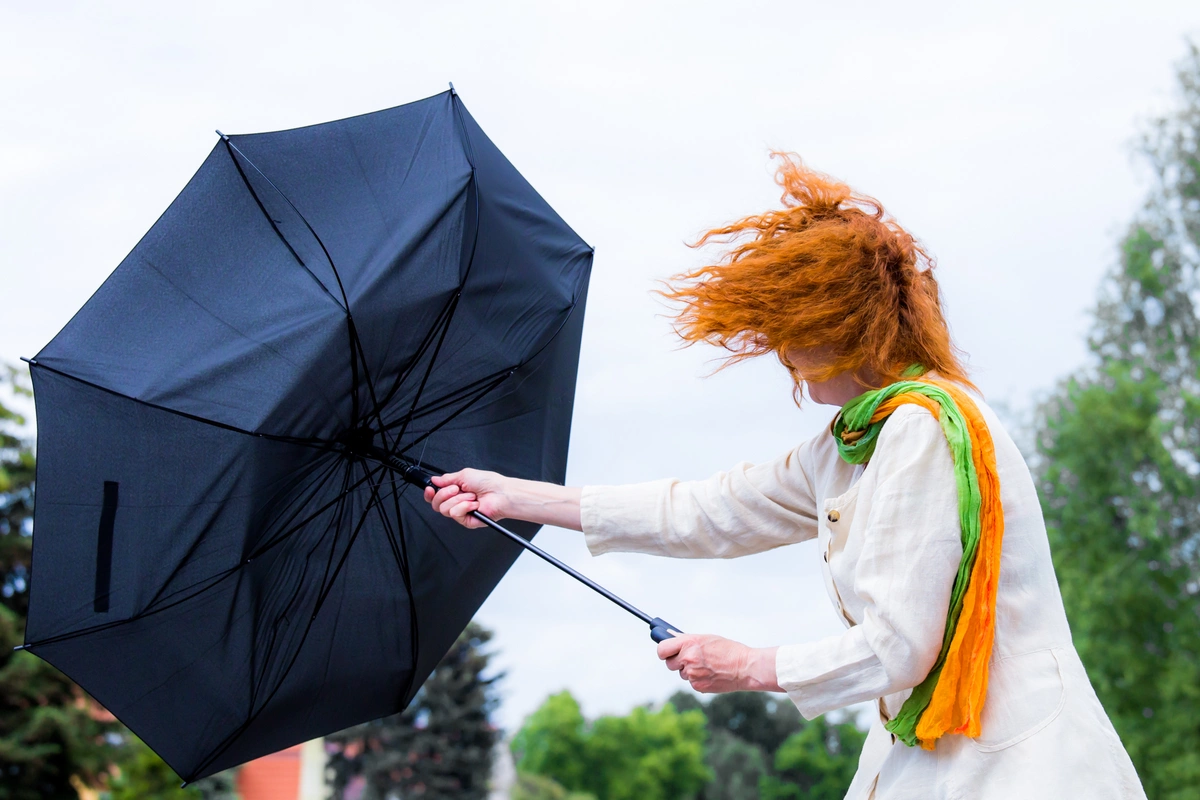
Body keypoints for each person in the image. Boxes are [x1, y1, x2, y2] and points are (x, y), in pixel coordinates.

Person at [421, 155, 1146, 799]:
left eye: (786, 326)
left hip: (1017, 763)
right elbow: (705, 511)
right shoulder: (856, 441)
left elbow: (900, 646)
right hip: (937, 753)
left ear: (841, 322)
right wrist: (518, 498)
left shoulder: (923, 430)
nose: (778, 350)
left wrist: (750, 665)